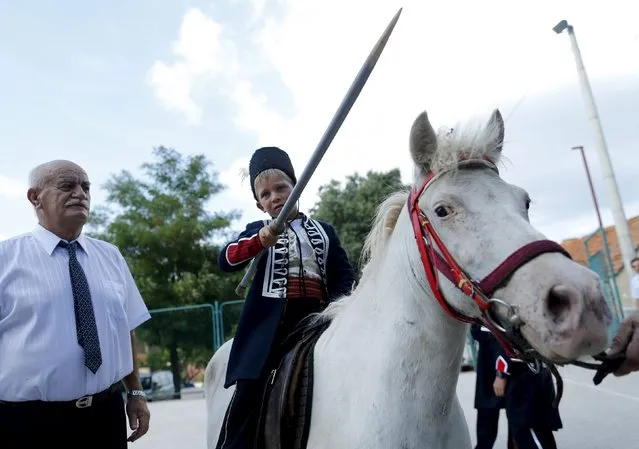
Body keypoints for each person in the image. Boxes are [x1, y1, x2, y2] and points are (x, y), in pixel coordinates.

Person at [0, 160, 151, 448]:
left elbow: (126, 328)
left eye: (86, 187)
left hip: (103, 417)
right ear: (35, 197)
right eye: (67, 185)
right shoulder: (5, 260)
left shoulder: (111, 257)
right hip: (25, 424)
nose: (80, 193)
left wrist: (135, 392)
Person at [215, 146, 356, 449]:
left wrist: (337, 310)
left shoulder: (325, 231)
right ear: (258, 204)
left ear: (297, 187)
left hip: (319, 320)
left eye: (281, 188)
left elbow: (344, 275)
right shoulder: (257, 231)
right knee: (248, 394)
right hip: (271, 329)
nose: (275, 197)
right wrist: (257, 242)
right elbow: (225, 259)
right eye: (265, 194)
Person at [470, 323, 508, 449]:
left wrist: (501, 373)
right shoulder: (482, 312)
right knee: (485, 432)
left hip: (514, 370)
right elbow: (475, 331)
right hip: (488, 368)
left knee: (519, 429)